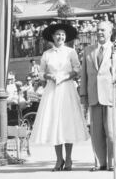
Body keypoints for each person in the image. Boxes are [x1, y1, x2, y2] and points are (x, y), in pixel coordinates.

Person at [31, 22, 88, 171]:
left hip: (67, 88)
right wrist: (49, 76)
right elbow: (41, 73)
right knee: (54, 123)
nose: (60, 37)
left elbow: (78, 69)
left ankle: (68, 158)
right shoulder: (46, 54)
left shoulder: (71, 52)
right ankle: (58, 159)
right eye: (57, 34)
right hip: (52, 90)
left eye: (62, 34)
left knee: (67, 122)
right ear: (52, 37)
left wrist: (65, 77)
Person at [78, 20, 116, 171]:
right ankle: (100, 162)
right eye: (98, 30)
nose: (100, 32)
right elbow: (84, 74)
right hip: (94, 96)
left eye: (103, 30)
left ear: (110, 32)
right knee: (96, 133)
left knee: (111, 133)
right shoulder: (88, 50)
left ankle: (112, 163)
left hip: (111, 96)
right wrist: (83, 94)